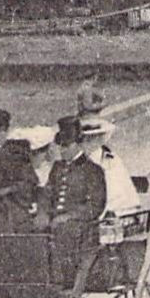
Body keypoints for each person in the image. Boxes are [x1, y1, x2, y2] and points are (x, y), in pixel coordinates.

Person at [38, 116, 107, 285]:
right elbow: (47, 194)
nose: (62, 150)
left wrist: (69, 216)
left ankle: (62, 283)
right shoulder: (57, 168)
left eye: (66, 146)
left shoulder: (93, 170)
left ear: (78, 144)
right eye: (60, 145)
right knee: (31, 231)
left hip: (81, 227)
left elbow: (96, 205)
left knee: (62, 231)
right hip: (55, 220)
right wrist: (43, 213)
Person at [81, 117, 142, 216]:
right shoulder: (79, 161)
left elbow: (127, 191)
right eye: (84, 139)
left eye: (93, 137)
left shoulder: (113, 159)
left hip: (119, 212)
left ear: (100, 138)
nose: (87, 142)